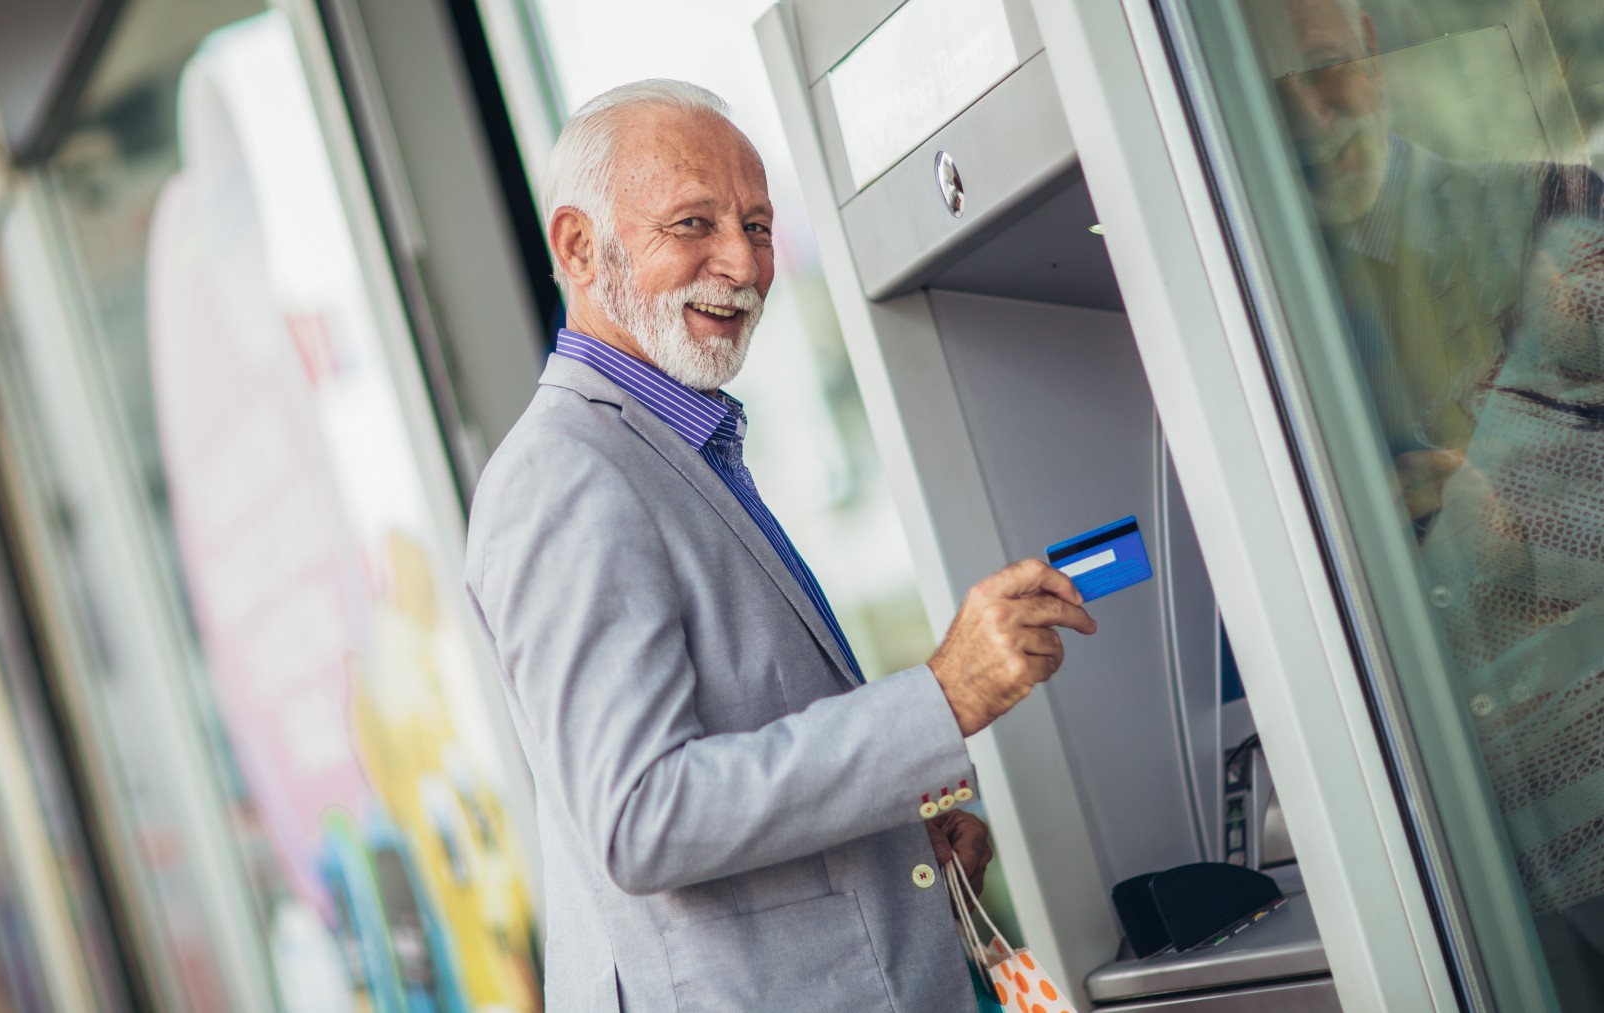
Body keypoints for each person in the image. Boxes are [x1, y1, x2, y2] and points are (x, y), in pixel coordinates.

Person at [463, 80, 1097, 1012]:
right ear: (577, 248)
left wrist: (890, 837)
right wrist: (940, 699)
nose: (743, 263)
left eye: (757, 225)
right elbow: (643, 814)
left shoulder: (678, 447)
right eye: (693, 223)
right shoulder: (562, 474)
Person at [1252, 0, 1604, 1002]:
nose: (1311, 122)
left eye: (1324, 72)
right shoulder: (1261, 337)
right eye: (1276, 97)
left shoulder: (1558, 211)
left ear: (1377, 56)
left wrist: (1515, 534)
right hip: (1476, 887)